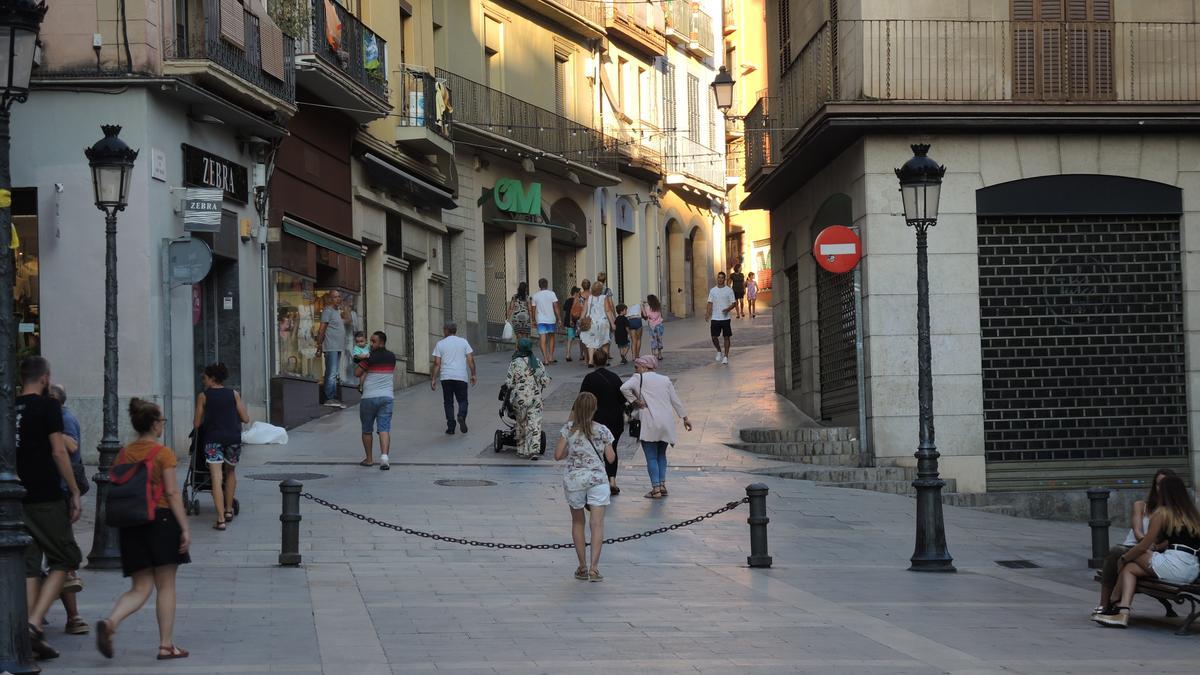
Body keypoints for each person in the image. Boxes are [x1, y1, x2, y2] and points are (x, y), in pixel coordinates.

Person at [96, 399, 191, 661]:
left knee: (140, 587)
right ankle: (166, 645)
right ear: (154, 424)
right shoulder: (163, 454)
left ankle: (111, 621)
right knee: (166, 585)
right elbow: (171, 493)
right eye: (161, 421)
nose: (163, 426)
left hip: (132, 524)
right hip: (161, 522)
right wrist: (184, 528)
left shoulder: (123, 454)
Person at [17, 357, 82, 660]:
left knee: (30, 563)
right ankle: (33, 622)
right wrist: (73, 491)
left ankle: (29, 633)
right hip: (44, 494)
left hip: (15, 496)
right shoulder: (48, 407)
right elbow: (58, 450)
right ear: (45, 379)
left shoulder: (9, 407)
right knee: (65, 556)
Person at [1096, 474, 1200, 628]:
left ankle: (1113, 599)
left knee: (1129, 555)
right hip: (1191, 569)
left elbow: (1143, 545)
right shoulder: (1192, 515)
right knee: (1130, 569)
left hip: (1174, 565)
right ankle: (1122, 612)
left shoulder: (1162, 513)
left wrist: (1123, 559)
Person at [1094, 468, 1176, 618]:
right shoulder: (1141, 505)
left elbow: (1169, 540)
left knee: (1117, 555)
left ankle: (1114, 604)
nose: (1160, 489)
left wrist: (1155, 547)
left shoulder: (1172, 512)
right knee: (1117, 552)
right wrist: (1145, 543)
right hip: (1132, 547)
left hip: (1154, 552)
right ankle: (1107, 603)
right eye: (1157, 485)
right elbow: (1137, 529)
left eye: (1163, 485)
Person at [554, 392, 617, 582]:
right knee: (597, 524)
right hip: (597, 479)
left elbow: (558, 455)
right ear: (594, 409)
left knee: (578, 522)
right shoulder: (603, 430)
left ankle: (581, 566)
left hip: (575, 480)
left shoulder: (569, 429)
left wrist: (572, 452)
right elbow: (611, 458)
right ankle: (594, 569)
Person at [48, 384, 89, 636]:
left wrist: (52, 431)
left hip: (60, 491)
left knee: (60, 556)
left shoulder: (64, 418)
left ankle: (72, 616)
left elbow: (71, 447)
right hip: (51, 492)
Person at [620, 355, 691, 499]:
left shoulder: (638, 378)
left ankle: (656, 488)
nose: (635, 369)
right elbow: (675, 400)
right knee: (661, 455)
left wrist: (635, 401)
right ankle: (663, 485)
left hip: (649, 421)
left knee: (651, 457)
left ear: (645, 367)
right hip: (666, 422)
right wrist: (685, 418)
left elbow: (623, 388)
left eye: (637, 366)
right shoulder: (665, 380)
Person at [192, 363, 250, 531]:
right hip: (232, 439)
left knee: (216, 478)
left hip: (213, 440)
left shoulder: (203, 396)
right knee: (230, 472)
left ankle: (220, 519)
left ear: (212, 378)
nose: (203, 381)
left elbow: (196, 423)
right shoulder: (234, 394)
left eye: (205, 378)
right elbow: (245, 418)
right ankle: (229, 509)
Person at [580, 350, 626, 495]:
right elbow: (622, 398)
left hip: (597, 419)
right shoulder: (614, 377)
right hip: (615, 419)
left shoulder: (589, 378)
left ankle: (597, 480)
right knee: (612, 448)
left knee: (595, 450)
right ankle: (612, 480)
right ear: (606, 360)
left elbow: (581, 399)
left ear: (593, 360)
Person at [355, 331, 397, 470]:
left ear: (381, 342)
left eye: (373, 342)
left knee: (367, 430)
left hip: (369, 398)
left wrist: (365, 358)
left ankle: (369, 459)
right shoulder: (392, 357)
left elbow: (357, 373)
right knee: (384, 428)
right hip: (387, 397)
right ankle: (384, 457)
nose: (370, 344)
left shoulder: (369, 357)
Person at [504, 338, 551, 459]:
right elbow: (545, 381)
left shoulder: (514, 363)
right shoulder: (537, 362)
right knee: (535, 424)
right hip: (535, 398)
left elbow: (508, 383)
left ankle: (521, 450)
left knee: (521, 423)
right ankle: (533, 451)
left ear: (519, 347)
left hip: (519, 398)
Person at [431, 322, 477, 434]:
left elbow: (437, 363)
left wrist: (433, 378)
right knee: (463, 400)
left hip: (446, 377)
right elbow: (470, 360)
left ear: (446, 330)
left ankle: (451, 427)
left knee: (448, 402)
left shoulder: (440, 344)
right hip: (460, 376)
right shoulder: (463, 342)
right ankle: (461, 415)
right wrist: (473, 374)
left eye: (444, 329)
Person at [316, 290, 350, 407]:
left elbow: (348, 320)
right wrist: (319, 345)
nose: (338, 299)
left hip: (337, 347)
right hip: (330, 347)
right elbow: (322, 329)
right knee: (331, 372)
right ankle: (329, 398)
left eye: (339, 297)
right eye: (335, 297)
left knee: (334, 373)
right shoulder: (327, 311)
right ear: (330, 299)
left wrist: (346, 308)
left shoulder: (337, 312)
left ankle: (333, 397)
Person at [581, 280, 616, 367]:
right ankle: (605, 360)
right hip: (603, 323)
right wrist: (612, 323)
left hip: (591, 323)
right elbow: (608, 311)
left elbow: (584, 311)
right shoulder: (604, 298)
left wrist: (581, 321)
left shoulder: (588, 298)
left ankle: (591, 361)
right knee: (605, 341)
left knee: (591, 343)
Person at [707, 272, 737, 365]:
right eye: (719, 277)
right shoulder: (713, 291)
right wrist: (707, 313)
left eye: (722, 278)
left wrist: (728, 309)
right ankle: (719, 351)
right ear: (717, 278)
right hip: (715, 318)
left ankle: (726, 356)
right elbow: (710, 302)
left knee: (726, 337)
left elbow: (733, 303)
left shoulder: (729, 290)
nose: (720, 279)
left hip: (725, 318)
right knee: (714, 337)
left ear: (724, 279)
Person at [530, 278, 560, 364]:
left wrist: (533, 319)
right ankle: (551, 356)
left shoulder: (535, 295)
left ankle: (545, 359)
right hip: (551, 319)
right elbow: (556, 306)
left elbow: (533, 309)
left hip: (541, 320)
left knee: (542, 339)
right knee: (551, 338)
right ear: (547, 285)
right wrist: (559, 318)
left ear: (539, 286)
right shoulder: (552, 294)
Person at [574, 280, 592, 362]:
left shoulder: (579, 296)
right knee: (591, 337)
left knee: (582, 338)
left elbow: (575, 306)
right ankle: (591, 356)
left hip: (581, 319)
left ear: (582, 286)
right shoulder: (593, 295)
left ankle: (583, 355)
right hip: (591, 318)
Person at [643, 294, 665, 360]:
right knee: (659, 340)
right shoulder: (658, 307)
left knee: (653, 340)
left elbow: (645, 316)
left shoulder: (648, 308)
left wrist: (642, 306)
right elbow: (660, 315)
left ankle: (653, 355)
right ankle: (660, 354)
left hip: (652, 326)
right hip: (659, 325)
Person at [562, 286, 580, 362]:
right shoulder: (578, 300)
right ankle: (582, 355)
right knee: (580, 338)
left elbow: (565, 309)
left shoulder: (568, 300)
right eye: (579, 292)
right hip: (576, 321)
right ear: (576, 293)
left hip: (569, 322)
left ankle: (568, 354)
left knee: (570, 338)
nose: (580, 294)